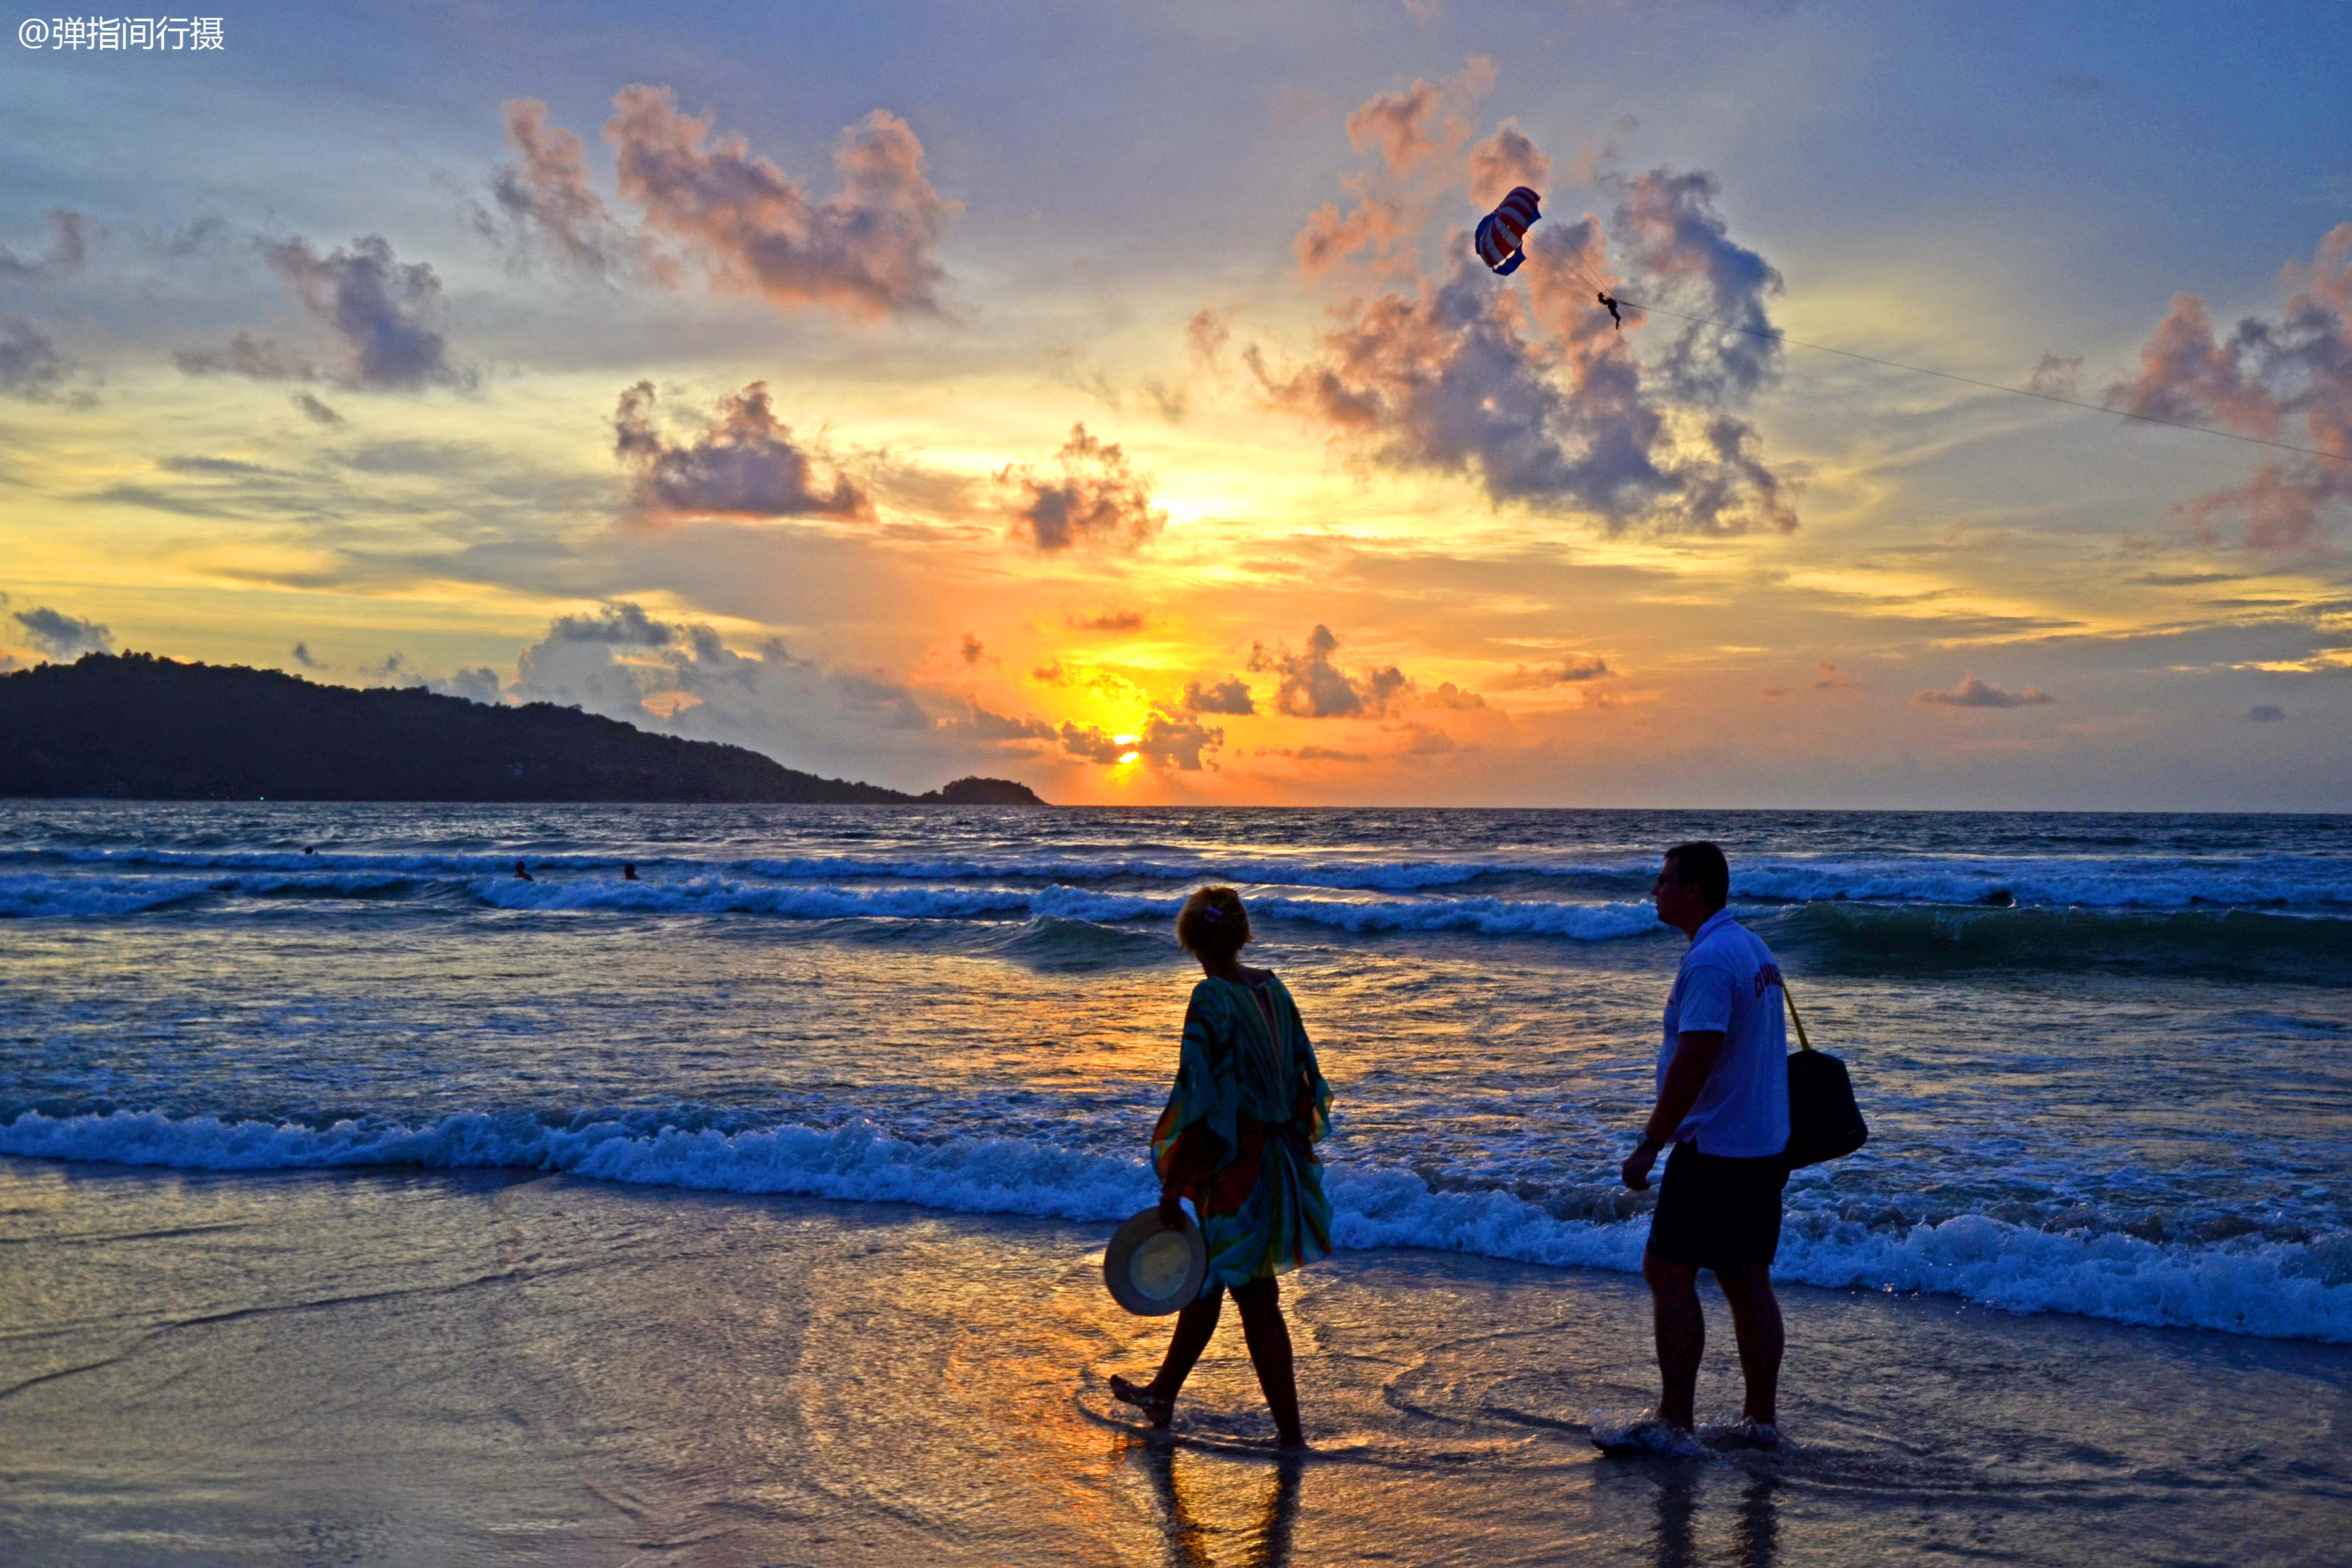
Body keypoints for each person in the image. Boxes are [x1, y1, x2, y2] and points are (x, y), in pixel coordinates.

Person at [1111, 886, 1333, 1450]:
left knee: (1255, 1298)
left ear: (1190, 940)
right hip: (1277, 1159)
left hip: (1234, 1166)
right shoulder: (1275, 989)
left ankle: (1291, 1436)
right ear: (1241, 935)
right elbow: (1307, 1078)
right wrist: (1299, 1147)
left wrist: (1179, 1181)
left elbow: (1202, 1099)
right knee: (1209, 1281)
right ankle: (1162, 1393)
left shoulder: (1209, 998)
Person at [1618, 841, 1791, 1447]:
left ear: (1694, 890)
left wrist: (1649, 1143)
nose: (1655, 891)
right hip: (1763, 1144)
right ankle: (1761, 1423)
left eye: (1663, 881)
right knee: (1747, 1279)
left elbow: (1694, 1059)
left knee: (1667, 1271)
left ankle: (1674, 1424)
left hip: (1715, 1148)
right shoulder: (1751, 947)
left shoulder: (1712, 959)